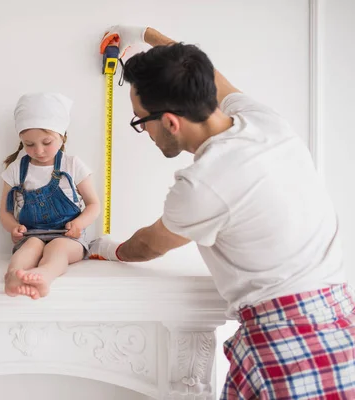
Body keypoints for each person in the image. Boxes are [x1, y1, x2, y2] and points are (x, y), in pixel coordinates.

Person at [89, 25, 355, 399]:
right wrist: (148, 35)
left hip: (289, 344)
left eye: (139, 120)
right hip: (340, 320)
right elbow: (212, 76)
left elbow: (149, 245)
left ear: (170, 122)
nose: (143, 131)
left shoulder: (203, 185)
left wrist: (106, 247)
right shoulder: (264, 121)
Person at [0, 92, 100, 299]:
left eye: (46, 142)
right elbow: (4, 211)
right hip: (32, 234)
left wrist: (79, 224)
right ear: (21, 141)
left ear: (61, 136)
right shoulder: (16, 170)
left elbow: (94, 205)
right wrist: (13, 227)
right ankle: (12, 277)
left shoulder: (72, 165)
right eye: (29, 144)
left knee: (57, 248)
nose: (38, 150)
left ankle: (44, 275)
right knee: (30, 247)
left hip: (68, 237)